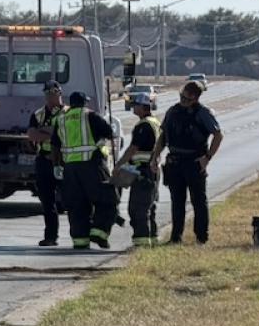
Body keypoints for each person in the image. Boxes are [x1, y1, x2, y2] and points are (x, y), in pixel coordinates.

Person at [151, 79, 223, 244]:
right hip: (175, 162)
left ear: (196, 98)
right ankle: (175, 238)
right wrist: (155, 156)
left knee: (199, 201)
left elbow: (218, 135)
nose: (183, 101)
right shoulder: (173, 111)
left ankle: (201, 238)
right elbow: (163, 136)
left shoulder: (203, 113)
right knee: (177, 202)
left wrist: (207, 158)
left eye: (187, 99)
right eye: (182, 97)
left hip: (194, 162)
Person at [56, 90, 118, 249]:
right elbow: (110, 133)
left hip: (70, 168)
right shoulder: (90, 115)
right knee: (108, 199)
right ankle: (99, 232)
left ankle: (80, 240)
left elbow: (55, 145)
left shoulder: (61, 119)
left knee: (77, 205)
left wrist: (57, 166)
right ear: (84, 102)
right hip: (92, 165)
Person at [25, 80, 67, 246]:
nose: (50, 96)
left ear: (60, 93)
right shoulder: (38, 114)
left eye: (53, 93)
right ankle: (51, 237)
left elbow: (65, 134)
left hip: (64, 161)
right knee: (47, 202)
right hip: (44, 160)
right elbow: (32, 135)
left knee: (72, 199)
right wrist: (52, 133)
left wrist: (45, 131)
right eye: (47, 93)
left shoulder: (67, 113)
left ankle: (80, 235)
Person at [118, 92, 161, 247]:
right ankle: (152, 238)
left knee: (138, 207)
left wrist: (119, 164)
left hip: (143, 170)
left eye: (135, 105)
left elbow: (133, 148)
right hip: (152, 170)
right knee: (149, 205)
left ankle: (141, 241)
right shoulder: (155, 122)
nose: (133, 107)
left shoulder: (144, 125)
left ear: (143, 107)